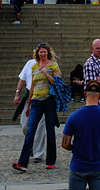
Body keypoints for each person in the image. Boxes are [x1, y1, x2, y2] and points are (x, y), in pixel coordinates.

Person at [14, 42, 60, 172]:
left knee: (50, 131)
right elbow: (32, 88)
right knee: (30, 131)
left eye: (45, 52)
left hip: (49, 101)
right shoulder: (34, 67)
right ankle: (22, 163)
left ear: (48, 53)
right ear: (37, 53)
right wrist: (28, 105)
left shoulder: (53, 65)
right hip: (36, 102)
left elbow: (57, 83)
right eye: (40, 52)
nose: (43, 54)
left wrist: (47, 74)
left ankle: (51, 161)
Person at [62, 81, 100, 190]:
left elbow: (65, 144)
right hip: (98, 166)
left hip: (78, 165)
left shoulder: (73, 117)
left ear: (85, 94)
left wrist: (75, 147)